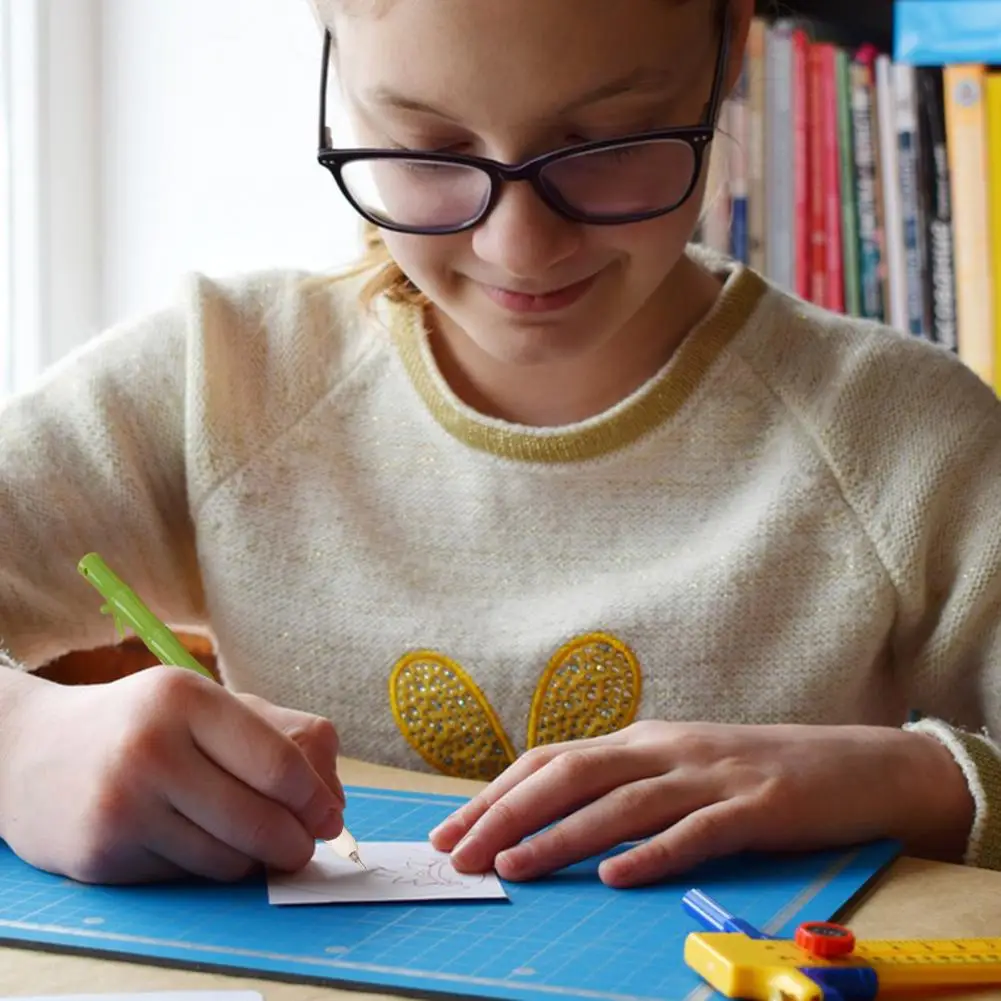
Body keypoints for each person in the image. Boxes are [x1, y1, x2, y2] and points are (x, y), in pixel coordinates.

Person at [1, 0, 999, 891]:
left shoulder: (903, 440)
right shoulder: (219, 377)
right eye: (429, 150)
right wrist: (20, 741)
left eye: (606, 144)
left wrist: (912, 781)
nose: (519, 249)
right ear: (336, 64)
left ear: (729, 47)